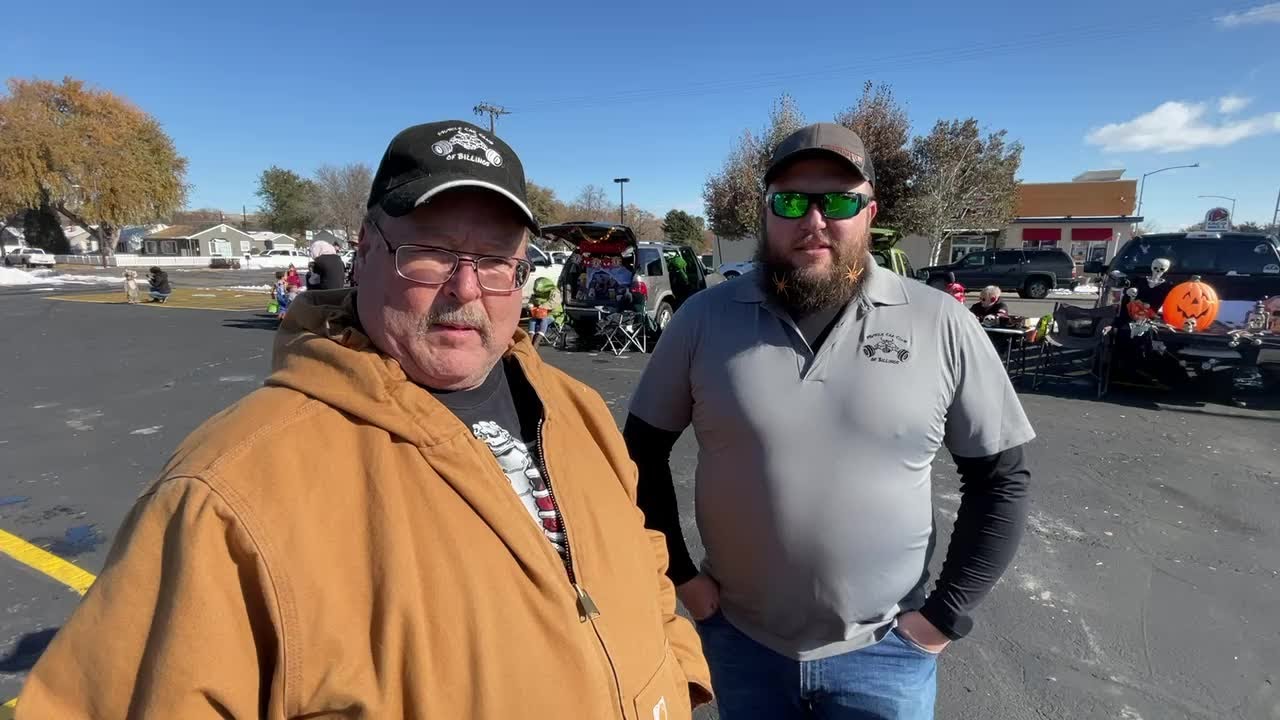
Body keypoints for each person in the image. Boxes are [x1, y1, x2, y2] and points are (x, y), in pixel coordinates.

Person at [18, 120, 711, 719]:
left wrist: (677, 678)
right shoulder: (225, 495)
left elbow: (639, 558)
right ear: (365, 248)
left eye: (496, 258)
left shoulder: (576, 407)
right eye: (432, 251)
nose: (465, 288)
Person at [624, 123, 1035, 720]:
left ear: (870, 212)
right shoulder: (702, 320)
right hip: (742, 645)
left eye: (838, 201)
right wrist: (684, 579)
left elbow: (1003, 477)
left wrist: (944, 617)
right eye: (790, 201)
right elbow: (638, 455)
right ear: (765, 213)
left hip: (887, 655)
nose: (813, 220)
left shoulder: (940, 322)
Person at [526, 276, 563, 344]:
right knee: (532, 320)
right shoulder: (536, 294)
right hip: (537, 314)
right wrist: (530, 306)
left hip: (553, 314)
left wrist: (542, 307)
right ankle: (530, 338)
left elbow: (554, 302)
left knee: (544, 320)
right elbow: (531, 301)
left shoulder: (554, 292)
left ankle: (538, 339)